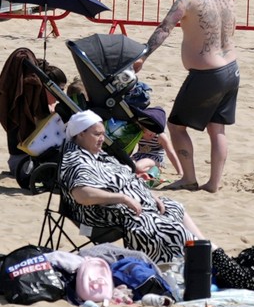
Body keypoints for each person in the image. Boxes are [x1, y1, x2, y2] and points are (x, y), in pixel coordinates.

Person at [129, 0, 238, 192]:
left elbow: (164, 29)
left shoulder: (187, 1)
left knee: (176, 126)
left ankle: (188, 178)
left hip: (207, 74)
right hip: (232, 69)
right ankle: (214, 183)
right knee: (217, 128)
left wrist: (143, 56)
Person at [58, 109, 202, 266]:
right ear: (80, 134)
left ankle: (209, 252)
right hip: (105, 215)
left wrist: (151, 196)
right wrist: (124, 198)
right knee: (168, 229)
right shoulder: (75, 159)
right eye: (97, 134)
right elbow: (83, 195)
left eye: (103, 134)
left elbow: (129, 177)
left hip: (135, 205)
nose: (102, 139)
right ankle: (198, 262)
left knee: (173, 207)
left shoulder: (99, 154)